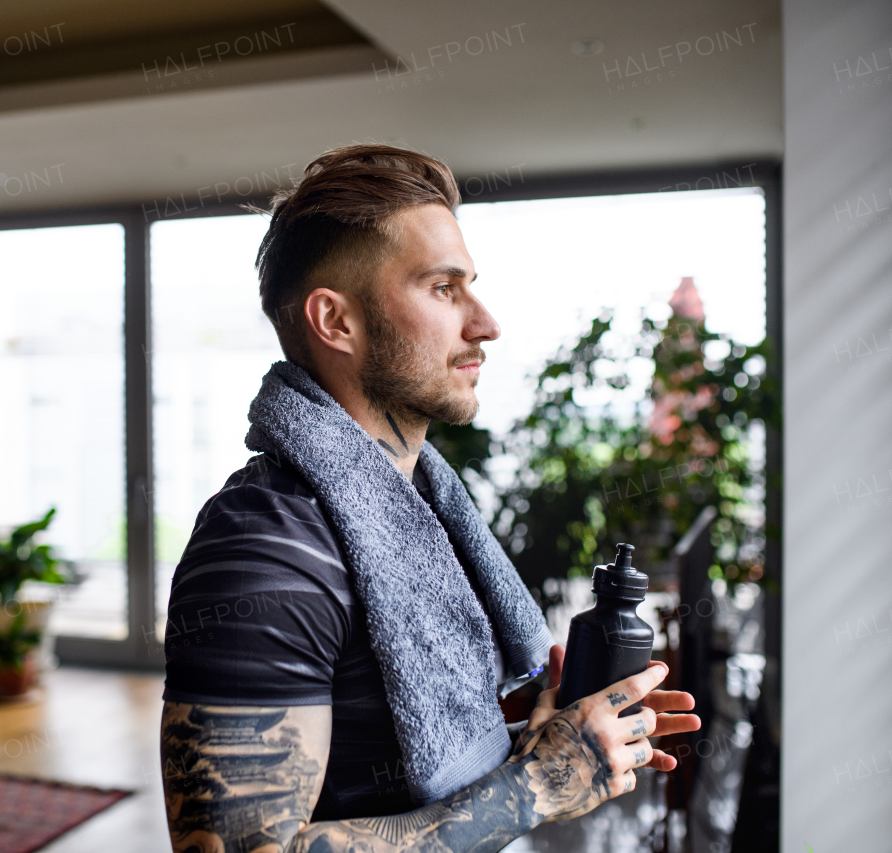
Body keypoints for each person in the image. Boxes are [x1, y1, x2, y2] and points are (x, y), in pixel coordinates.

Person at [159, 144, 700, 853]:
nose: (485, 323)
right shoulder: (261, 546)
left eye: (470, 284)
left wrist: (547, 743)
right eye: (443, 288)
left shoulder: (421, 512)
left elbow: (390, 769)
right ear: (336, 321)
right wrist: (535, 784)